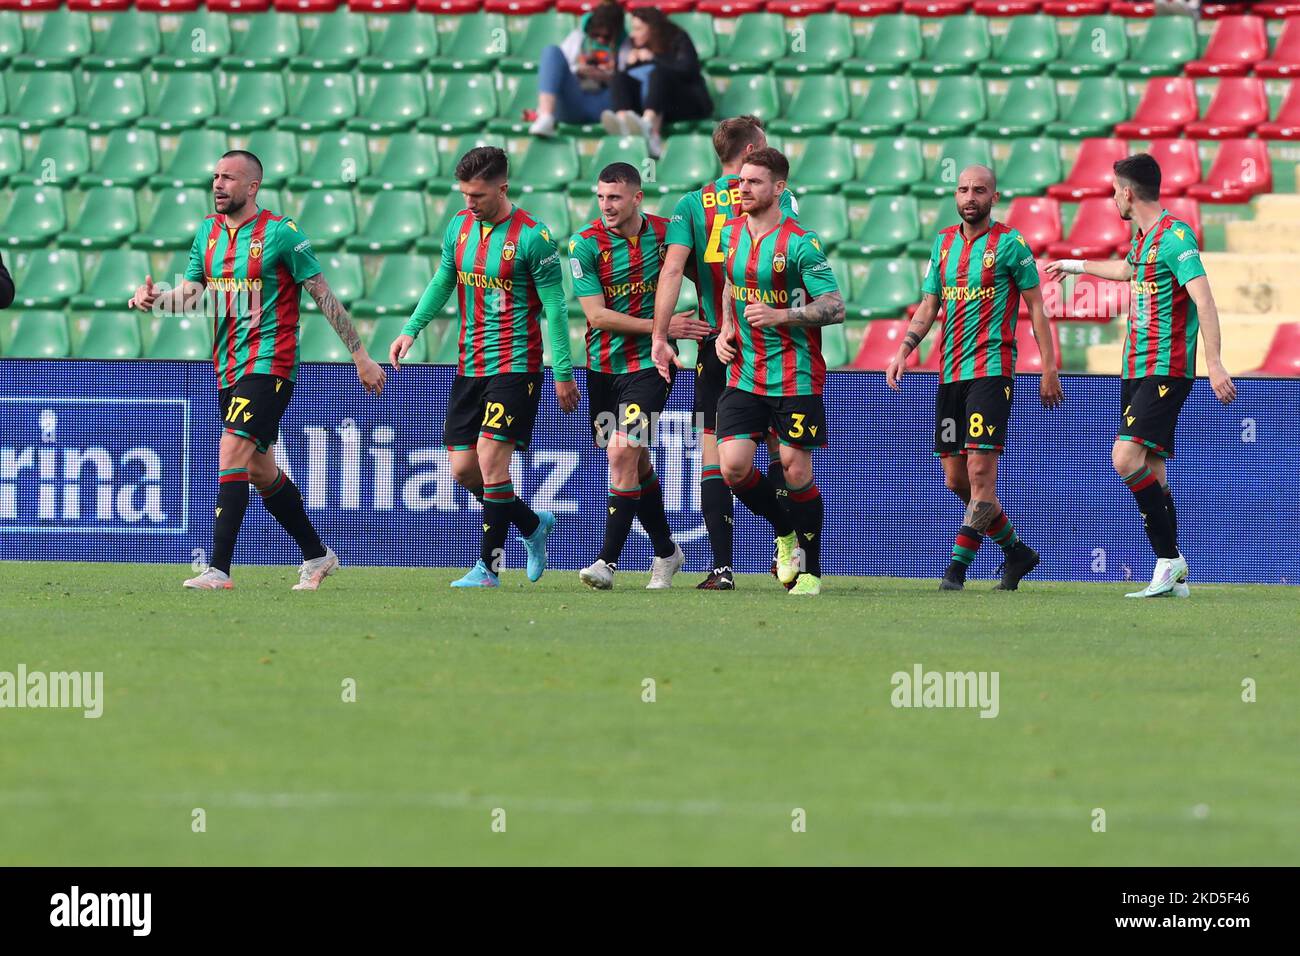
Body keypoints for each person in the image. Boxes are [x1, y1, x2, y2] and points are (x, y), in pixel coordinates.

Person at [128, 150, 386, 591]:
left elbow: (322, 294)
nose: (218, 185)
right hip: (227, 365)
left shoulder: (282, 234)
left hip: (271, 362)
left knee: (231, 451)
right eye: (215, 176)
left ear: (252, 187)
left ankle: (219, 569)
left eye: (229, 178)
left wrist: (359, 353)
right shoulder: (207, 232)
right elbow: (192, 293)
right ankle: (319, 556)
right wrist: (159, 299)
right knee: (260, 471)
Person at [1047, 153, 1235, 598]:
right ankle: (1171, 573)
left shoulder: (1175, 236)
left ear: (1128, 193)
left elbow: (1204, 300)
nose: (1113, 197)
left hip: (1165, 368)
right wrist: (1075, 266)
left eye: (1115, 190)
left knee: (1124, 458)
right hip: (1136, 369)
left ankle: (1169, 560)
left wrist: (1214, 362)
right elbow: (1128, 271)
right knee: (1153, 466)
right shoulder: (1144, 238)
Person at [389, 146, 578, 589]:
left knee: (493, 460)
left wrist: (563, 371)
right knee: (461, 468)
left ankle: (488, 569)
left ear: (502, 187)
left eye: (477, 195)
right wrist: (411, 330)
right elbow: (443, 280)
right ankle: (531, 524)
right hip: (469, 363)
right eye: (464, 194)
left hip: (516, 365)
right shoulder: (458, 227)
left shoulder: (534, 237)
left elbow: (555, 305)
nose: (468, 203)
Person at [885, 165, 1063, 592]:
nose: (970, 197)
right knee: (956, 479)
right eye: (963, 189)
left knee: (982, 476)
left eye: (979, 190)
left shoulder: (1010, 244)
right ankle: (1016, 552)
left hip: (991, 372)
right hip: (950, 374)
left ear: (993, 198)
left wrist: (1049, 366)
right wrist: (903, 350)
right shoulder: (943, 244)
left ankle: (956, 571)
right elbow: (929, 306)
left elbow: (1037, 306)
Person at [651, 116, 798, 590]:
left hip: (714, 347)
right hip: (772, 342)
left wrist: (660, 334)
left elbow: (672, 270)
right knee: (779, 451)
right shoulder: (779, 195)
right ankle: (788, 546)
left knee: (714, 457)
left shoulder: (690, 204)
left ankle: (722, 568)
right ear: (754, 146)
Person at [568, 162, 711, 590]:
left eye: (615, 197)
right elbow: (597, 315)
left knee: (621, 451)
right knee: (635, 459)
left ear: (637, 197)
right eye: (600, 197)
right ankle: (667, 553)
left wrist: (711, 325)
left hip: (651, 366)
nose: (606, 205)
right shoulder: (584, 244)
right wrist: (664, 327)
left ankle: (606, 563)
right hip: (602, 369)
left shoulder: (668, 233)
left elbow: (706, 276)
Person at [713, 148, 844, 597]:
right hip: (744, 372)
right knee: (733, 468)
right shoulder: (729, 234)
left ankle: (810, 570)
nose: (743, 188)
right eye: (741, 181)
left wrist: (781, 315)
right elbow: (732, 284)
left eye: (753, 182)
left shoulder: (801, 243)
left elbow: (835, 307)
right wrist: (727, 328)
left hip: (796, 374)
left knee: (795, 471)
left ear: (778, 189)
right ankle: (785, 532)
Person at [601, 8, 713, 158]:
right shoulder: (632, 44)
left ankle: (648, 126)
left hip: (688, 104)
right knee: (619, 77)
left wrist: (654, 58)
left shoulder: (677, 38)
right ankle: (623, 122)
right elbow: (632, 79)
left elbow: (689, 70)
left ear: (653, 28)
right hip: (658, 104)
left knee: (658, 72)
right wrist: (630, 64)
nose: (633, 34)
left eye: (638, 29)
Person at [529, 0, 627, 137]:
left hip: (605, 104)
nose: (600, 40)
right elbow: (559, 68)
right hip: (575, 98)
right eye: (595, 35)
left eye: (606, 37)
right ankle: (545, 116)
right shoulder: (578, 38)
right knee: (550, 51)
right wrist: (578, 70)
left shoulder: (627, 45)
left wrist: (606, 77)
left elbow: (630, 84)